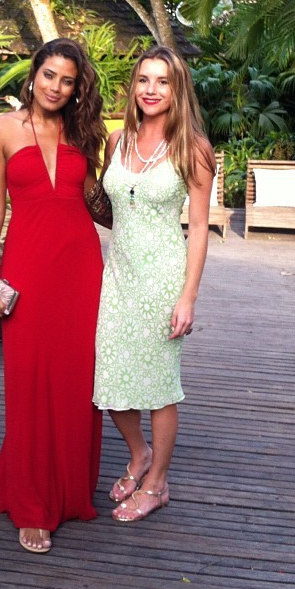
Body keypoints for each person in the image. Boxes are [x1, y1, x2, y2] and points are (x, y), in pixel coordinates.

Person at [0, 38, 106, 553]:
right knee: (28, 379)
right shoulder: (1, 129)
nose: (56, 87)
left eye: (67, 80)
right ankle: (31, 504)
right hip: (27, 267)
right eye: (49, 75)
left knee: (76, 379)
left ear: (76, 89)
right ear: (34, 75)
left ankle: (70, 490)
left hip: (81, 269)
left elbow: (95, 201)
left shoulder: (83, 132)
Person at [93, 45, 215, 522]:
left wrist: (188, 297)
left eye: (162, 81)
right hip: (118, 277)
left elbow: (199, 228)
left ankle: (158, 483)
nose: (151, 89)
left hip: (164, 280)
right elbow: (112, 207)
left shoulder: (193, 149)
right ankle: (139, 453)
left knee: (160, 385)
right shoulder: (116, 141)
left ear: (177, 89)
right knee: (109, 375)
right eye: (144, 79)